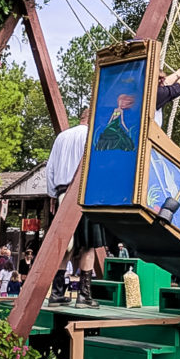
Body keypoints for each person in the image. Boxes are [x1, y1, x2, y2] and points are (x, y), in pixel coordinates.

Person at [45, 107, 104, 308]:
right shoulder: (93, 136)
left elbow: (50, 168)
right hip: (85, 194)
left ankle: (57, 293)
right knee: (88, 246)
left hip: (62, 193)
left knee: (65, 246)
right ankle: (84, 295)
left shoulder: (62, 137)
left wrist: (53, 194)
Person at [155, 61, 180, 127]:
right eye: (160, 79)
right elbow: (178, 88)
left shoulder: (149, 88)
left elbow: (166, 82)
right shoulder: (158, 94)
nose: (163, 80)